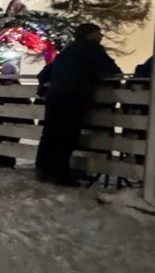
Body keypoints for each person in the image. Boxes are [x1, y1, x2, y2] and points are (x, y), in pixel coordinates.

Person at [35, 23, 122, 186]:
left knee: (50, 133)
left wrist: (45, 88)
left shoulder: (67, 50)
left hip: (55, 96)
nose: (101, 36)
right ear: (91, 34)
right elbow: (111, 70)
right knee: (67, 135)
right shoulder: (92, 48)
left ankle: (42, 169)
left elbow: (45, 73)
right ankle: (59, 174)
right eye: (99, 33)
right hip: (74, 97)